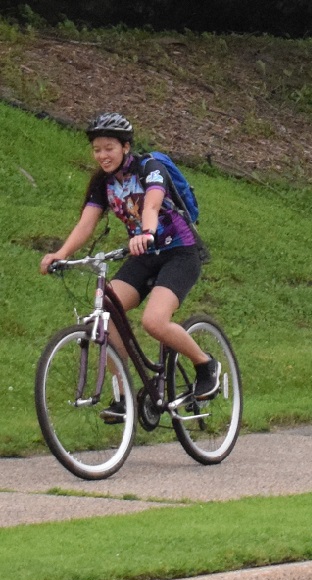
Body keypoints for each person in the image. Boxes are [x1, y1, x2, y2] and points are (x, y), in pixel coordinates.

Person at [39, 112, 220, 418]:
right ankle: (125, 399)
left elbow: (151, 204)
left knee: (154, 322)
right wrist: (61, 252)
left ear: (125, 147)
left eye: (108, 147)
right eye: (96, 149)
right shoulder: (103, 183)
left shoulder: (151, 168)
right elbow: (86, 225)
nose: (102, 155)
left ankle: (205, 364)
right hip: (144, 256)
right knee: (104, 316)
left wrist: (147, 232)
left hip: (179, 253)